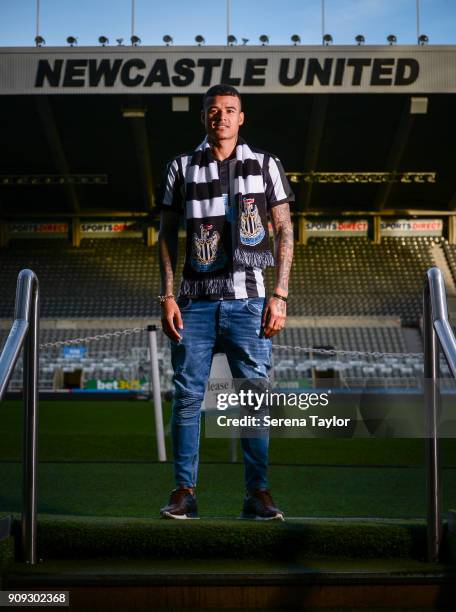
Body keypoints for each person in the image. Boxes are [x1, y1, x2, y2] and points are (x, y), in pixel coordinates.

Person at [157, 83, 294, 520]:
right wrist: (166, 295)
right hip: (195, 302)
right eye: (214, 111)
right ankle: (184, 492)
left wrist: (280, 293)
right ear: (204, 117)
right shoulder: (181, 167)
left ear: (242, 117)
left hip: (250, 301)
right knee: (187, 398)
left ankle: (258, 494)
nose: (222, 118)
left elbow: (285, 230)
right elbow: (165, 235)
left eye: (230, 110)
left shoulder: (266, 164)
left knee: (253, 398)